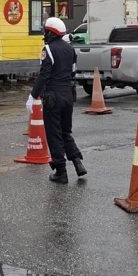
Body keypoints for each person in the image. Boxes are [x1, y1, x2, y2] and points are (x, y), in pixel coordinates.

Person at [26, 17, 87, 184]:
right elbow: (73, 71)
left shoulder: (48, 49)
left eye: (46, 31)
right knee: (65, 132)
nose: (44, 34)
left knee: (54, 134)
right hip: (68, 95)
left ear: (51, 32)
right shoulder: (70, 49)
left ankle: (61, 172)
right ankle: (77, 162)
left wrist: (33, 95)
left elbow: (44, 75)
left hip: (53, 96)